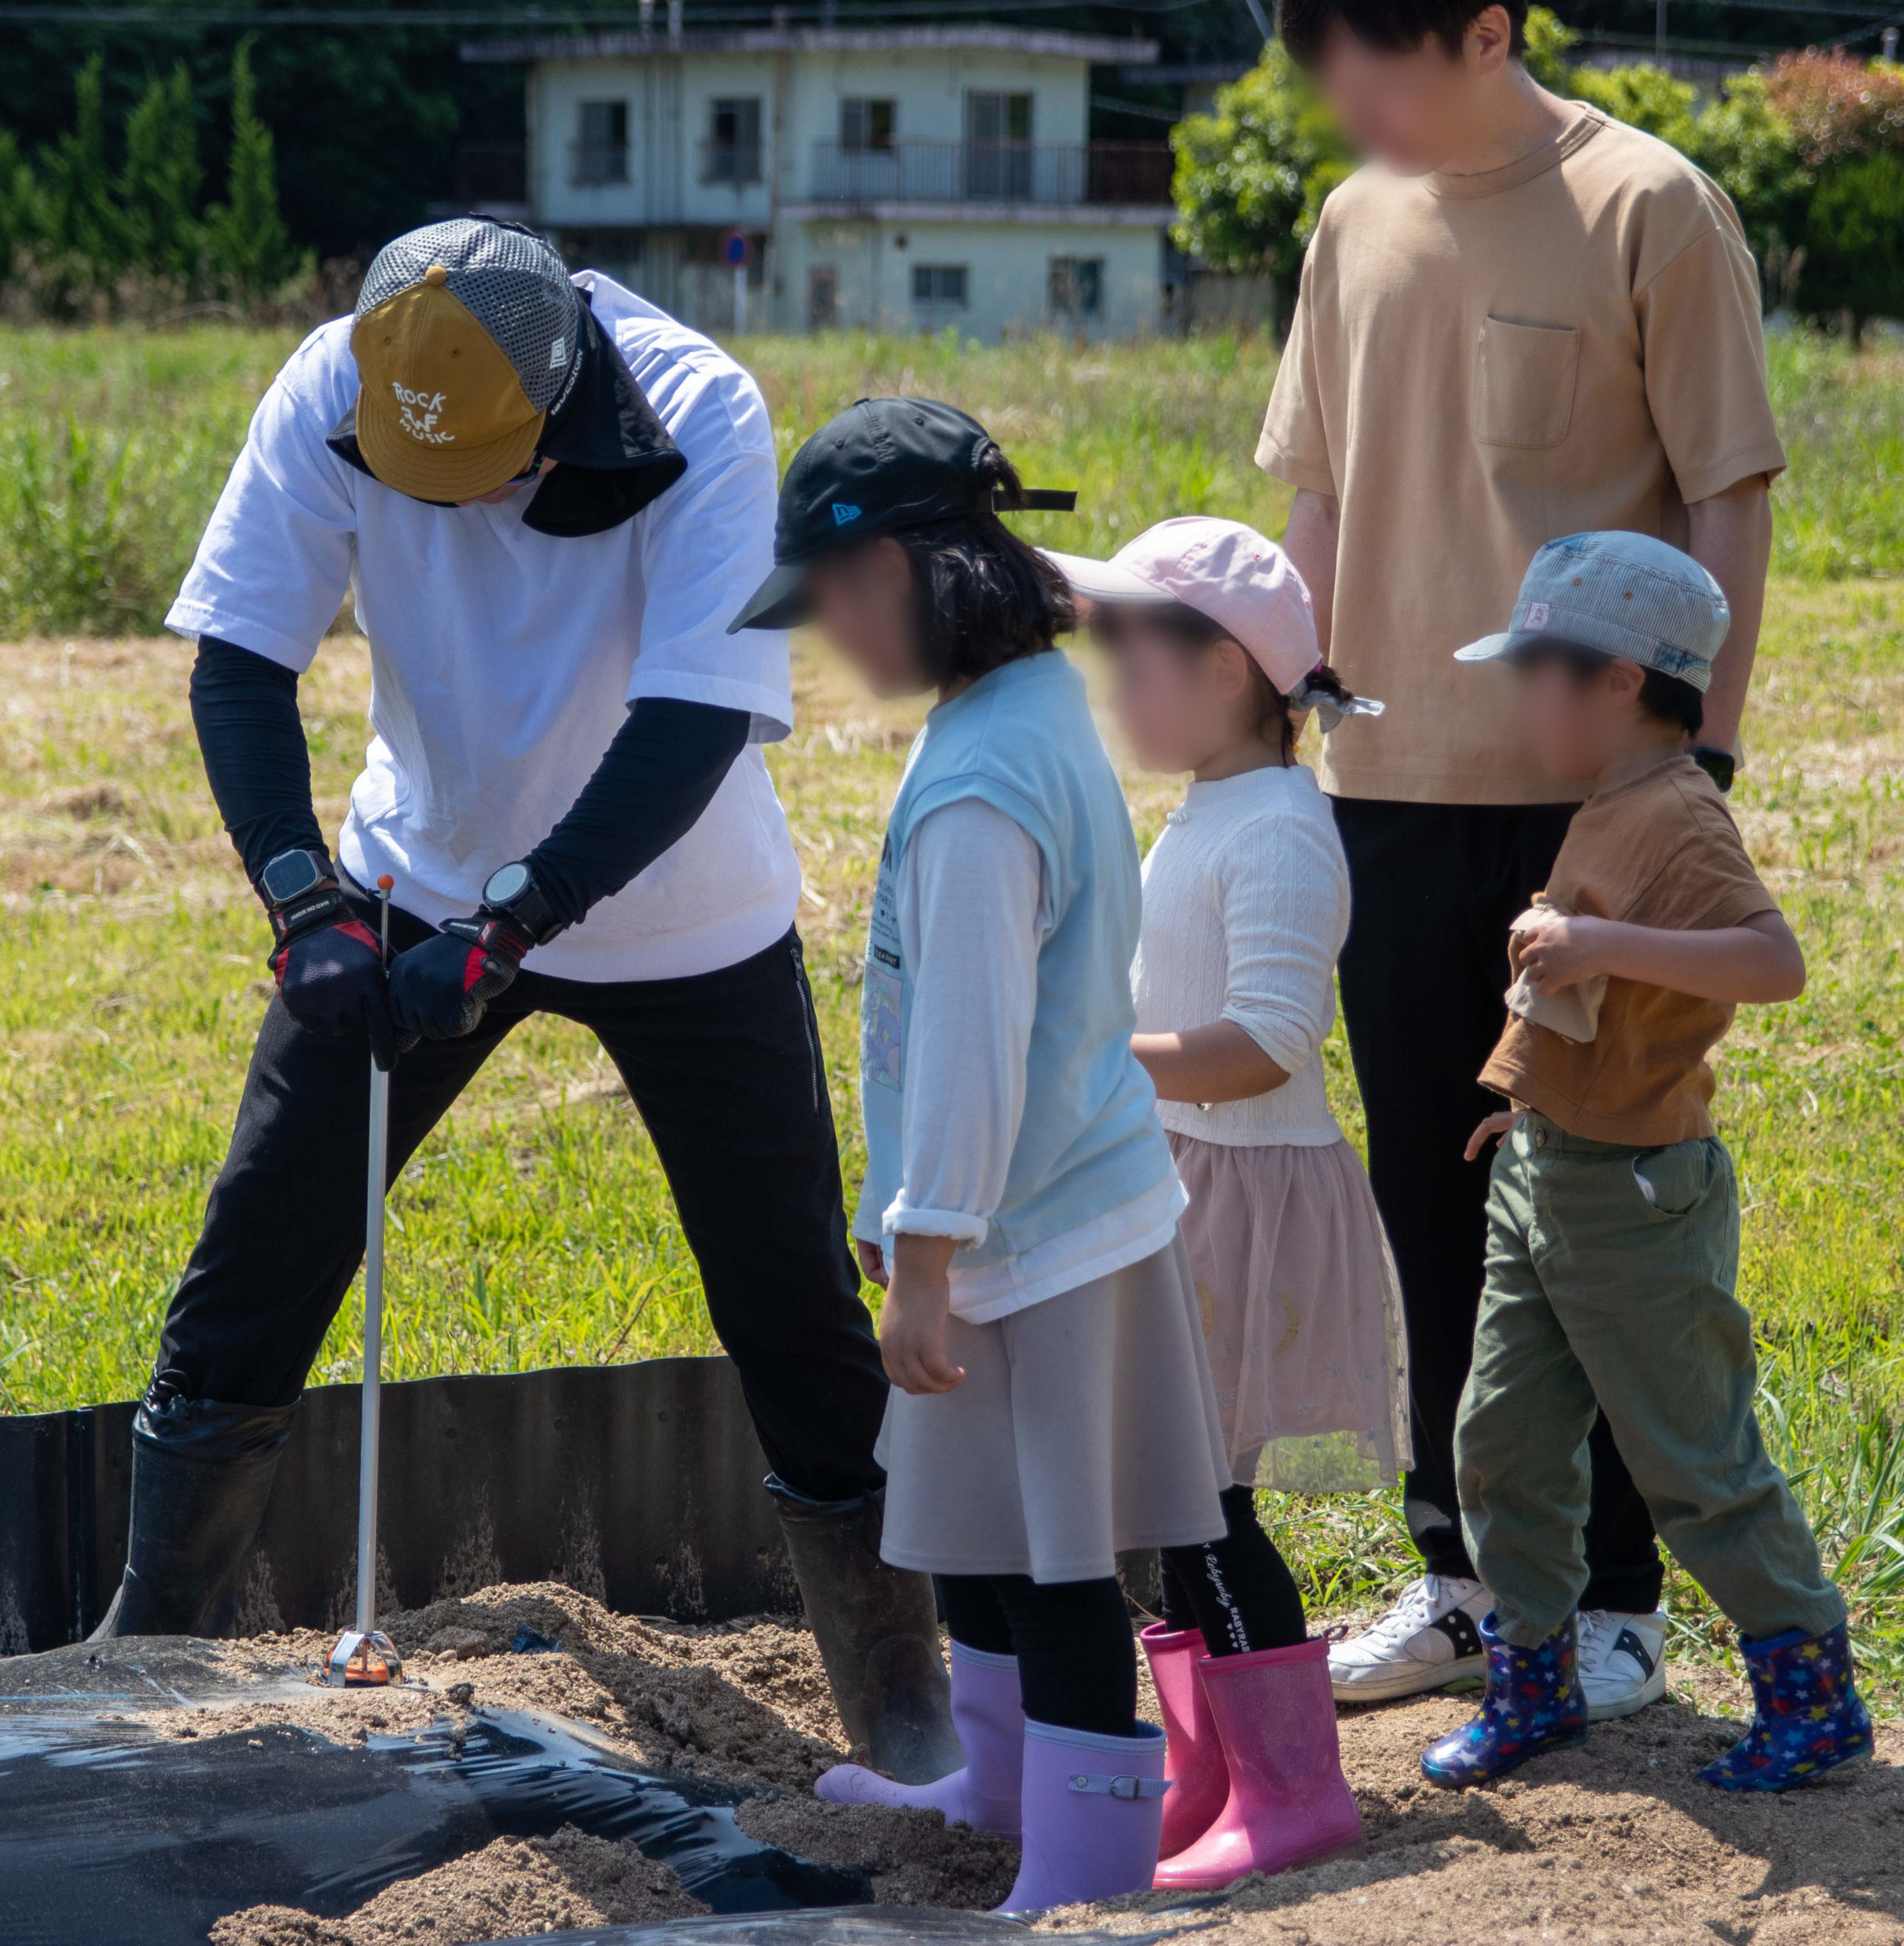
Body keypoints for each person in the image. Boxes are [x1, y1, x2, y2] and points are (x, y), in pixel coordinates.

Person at [91, 217, 959, 1787]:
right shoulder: (335, 382)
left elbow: (694, 714)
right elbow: (237, 660)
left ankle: (901, 1701)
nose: (464, 510)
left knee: (787, 1309)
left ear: (563, 406)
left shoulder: (703, 409)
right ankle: (149, 1645)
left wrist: (510, 928)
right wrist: (306, 910)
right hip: (410, 874)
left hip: (684, 909)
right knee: (255, 1256)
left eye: (491, 472)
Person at [1264, 0, 1785, 1715]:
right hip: (1383, 792)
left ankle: (1619, 1598)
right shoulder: (1351, 220)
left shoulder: (1649, 202)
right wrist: (1296, 709)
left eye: (1374, 68)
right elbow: (1318, 490)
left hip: (1589, 808)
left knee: (1594, 1205)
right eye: (1324, 76)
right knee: (1429, 1196)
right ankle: (1462, 1574)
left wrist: (1690, 767)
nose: (1349, 107)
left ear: (1484, 30)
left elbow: (1728, 491)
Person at [735, 400, 1233, 1912]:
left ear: (894, 570)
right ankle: (1003, 1789)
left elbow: (965, 1043)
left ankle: (1083, 1871)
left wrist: (924, 1254)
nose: (826, 639)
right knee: (978, 1532)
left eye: (826, 605)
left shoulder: (972, 791)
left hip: (1029, 1240)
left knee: (1057, 1562)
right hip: (1031, 1210)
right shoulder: (1025, 711)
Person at [1421, 531, 1870, 1792]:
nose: (1518, 697)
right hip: (1552, 1171)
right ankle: (1534, 1686)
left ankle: (1810, 1695)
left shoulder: (1677, 812)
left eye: (1534, 670)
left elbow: (1772, 963)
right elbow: (1593, 1014)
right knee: (1501, 1441)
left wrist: (1605, 940)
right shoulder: (1609, 803)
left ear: (1619, 679)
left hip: (1634, 1201)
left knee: (1692, 1453)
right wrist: (1535, 1101)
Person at [1043, 517, 1397, 1887]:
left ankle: (1293, 1789)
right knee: (1176, 1491)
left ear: (1240, 671)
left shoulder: (1282, 833)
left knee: (1205, 1500)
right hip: (1181, 1179)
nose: (1116, 679)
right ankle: (1213, 1774)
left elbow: (1270, 1039)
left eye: (1141, 651)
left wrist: (1087, 1056)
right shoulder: (1211, 811)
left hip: (1238, 1196)